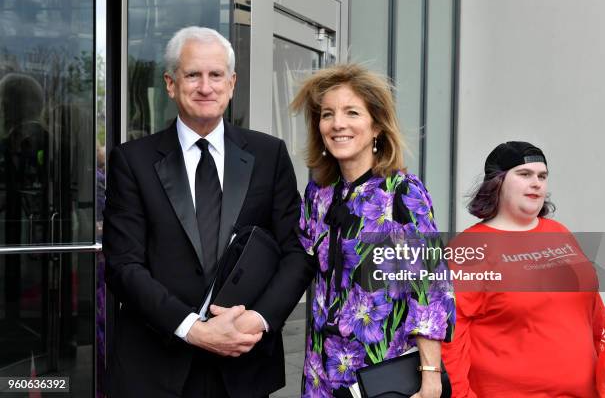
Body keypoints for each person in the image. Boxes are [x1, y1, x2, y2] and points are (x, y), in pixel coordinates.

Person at [103, 26, 315, 398]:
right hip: (156, 367)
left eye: (216, 75)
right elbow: (123, 265)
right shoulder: (132, 161)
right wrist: (194, 329)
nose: (206, 86)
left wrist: (258, 319)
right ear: (171, 84)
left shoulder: (269, 155)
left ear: (231, 83)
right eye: (192, 75)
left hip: (243, 362)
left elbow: (295, 253)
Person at [291, 63, 455, 398]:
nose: (338, 124)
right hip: (321, 375)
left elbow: (429, 291)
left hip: (383, 375)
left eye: (352, 112)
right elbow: (299, 265)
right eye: (327, 114)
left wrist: (430, 378)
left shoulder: (402, 192)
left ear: (377, 125)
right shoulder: (318, 195)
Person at [441, 141, 605, 397]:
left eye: (542, 176)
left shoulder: (558, 233)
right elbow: (449, 338)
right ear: (497, 182)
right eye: (525, 174)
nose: (537, 183)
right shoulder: (469, 249)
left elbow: (594, 313)